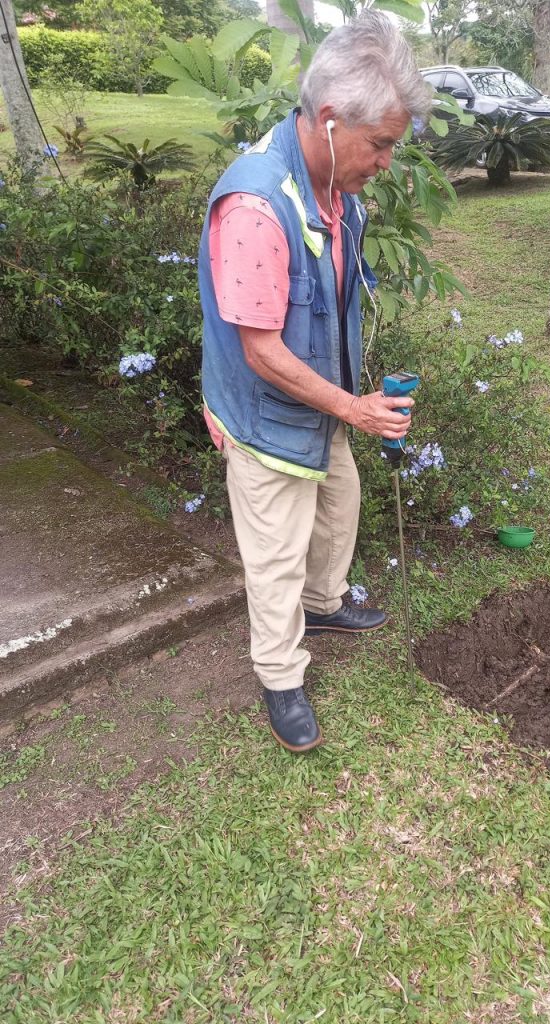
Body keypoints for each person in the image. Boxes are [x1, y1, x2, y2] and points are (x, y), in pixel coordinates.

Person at [198, 12, 432, 753]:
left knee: (339, 505)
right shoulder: (256, 206)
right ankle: (280, 676)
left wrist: (345, 404)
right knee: (275, 552)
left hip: (319, 403)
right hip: (268, 412)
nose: (387, 162)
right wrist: (352, 408)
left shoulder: (334, 188)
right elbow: (262, 351)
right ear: (330, 121)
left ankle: (324, 604)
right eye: (382, 144)